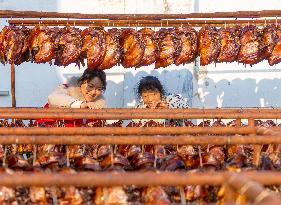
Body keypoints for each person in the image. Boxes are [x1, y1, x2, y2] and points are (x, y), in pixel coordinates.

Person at [36, 69, 107, 127]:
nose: (93, 92)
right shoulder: (66, 89)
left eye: (99, 89)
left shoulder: (98, 106)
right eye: (90, 86)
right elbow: (53, 98)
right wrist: (80, 104)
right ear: (82, 82)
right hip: (45, 137)